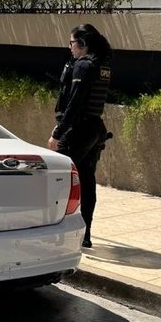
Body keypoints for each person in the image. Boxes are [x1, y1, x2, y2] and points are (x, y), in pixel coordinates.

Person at [49, 23, 113, 249]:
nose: (70, 48)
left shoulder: (83, 66)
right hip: (95, 130)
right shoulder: (102, 65)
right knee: (86, 179)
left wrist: (58, 132)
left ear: (83, 44)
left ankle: (58, 231)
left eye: (72, 43)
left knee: (61, 178)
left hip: (79, 130)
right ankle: (85, 234)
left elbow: (74, 102)